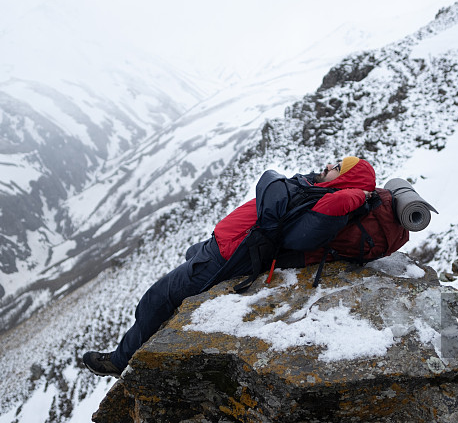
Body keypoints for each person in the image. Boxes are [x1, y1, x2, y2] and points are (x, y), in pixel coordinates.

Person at [82, 156, 377, 378]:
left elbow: (322, 216)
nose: (328, 164)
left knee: (155, 299)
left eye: (338, 166)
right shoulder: (318, 189)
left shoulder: (335, 199)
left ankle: (119, 362)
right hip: (220, 246)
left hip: (224, 256)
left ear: (347, 181)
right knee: (189, 255)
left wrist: (356, 194)